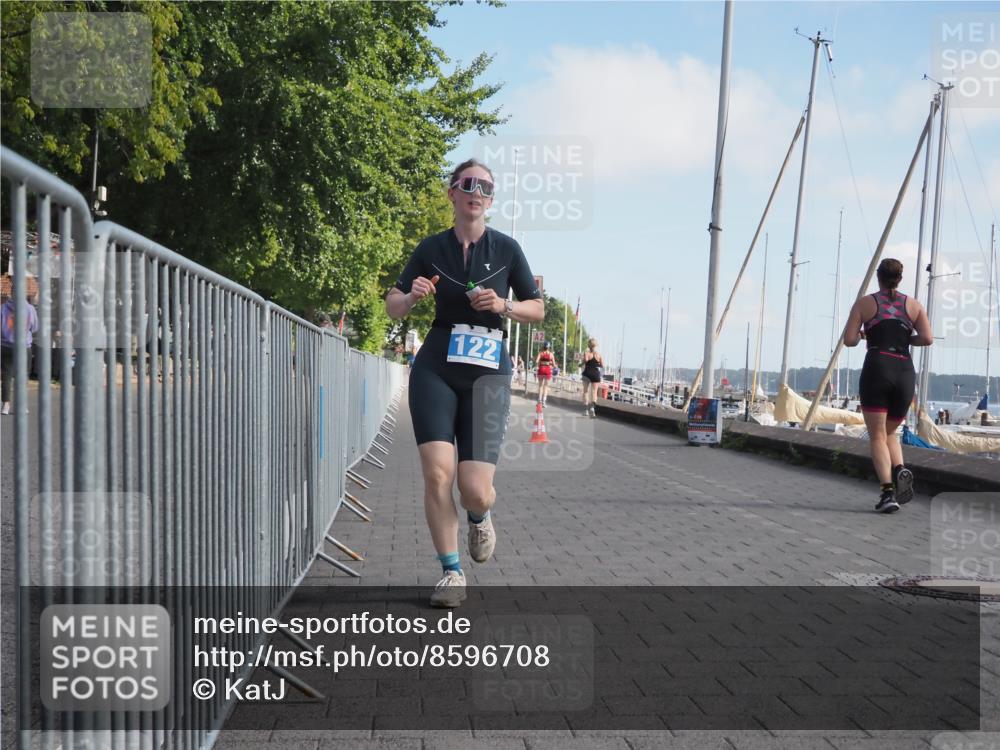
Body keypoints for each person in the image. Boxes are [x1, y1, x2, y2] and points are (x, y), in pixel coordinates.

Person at [385, 159, 544, 607]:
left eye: (486, 187)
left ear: (491, 200)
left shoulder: (507, 249)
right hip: (436, 365)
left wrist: (504, 306)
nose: (478, 192)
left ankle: (480, 515)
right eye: (469, 184)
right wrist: (411, 296)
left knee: (474, 488)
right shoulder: (431, 247)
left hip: (487, 371)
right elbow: (392, 303)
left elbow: (536, 308)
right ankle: (451, 573)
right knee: (438, 473)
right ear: (452, 192)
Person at [844, 258, 933, 513]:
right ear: (900, 278)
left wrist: (864, 335)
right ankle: (899, 468)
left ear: (878, 276)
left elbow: (849, 340)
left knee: (877, 436)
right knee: (889, 432)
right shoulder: (914, 305)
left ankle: (887, 494)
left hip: (878, 367)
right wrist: (906, 338)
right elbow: (927, 338)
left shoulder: (865, 303)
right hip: (904, 370)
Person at [1, 293, 40, 416]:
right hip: (24, 346)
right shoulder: (30, 308)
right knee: (23, 376)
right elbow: (35, 327)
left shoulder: (2, 308)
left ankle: (5, 405)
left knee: (6, 375)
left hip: (6, 345)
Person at [580, 338, 603, 418]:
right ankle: (592, 408)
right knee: (594, 391)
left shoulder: (586, 353)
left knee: (585, 391)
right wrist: (596, 363)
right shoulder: (599, 355)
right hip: (595, 374)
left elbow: (585, 360)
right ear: (596, 345)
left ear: (588, 345)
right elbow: (602, 365)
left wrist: (581, 364)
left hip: (587, 373)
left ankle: (586, 410)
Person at [535, 341, 555, 405]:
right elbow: (554, 364)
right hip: (547, 371)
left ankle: (539, 400)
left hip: (541, 370)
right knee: (546, 386)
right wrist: (550, 364)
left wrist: (539, 364)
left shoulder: (540, 353)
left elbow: (536, 361)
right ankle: (544, 401)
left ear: (543, 346)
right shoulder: (551, 354)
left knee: (540, 386)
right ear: (549, 347)